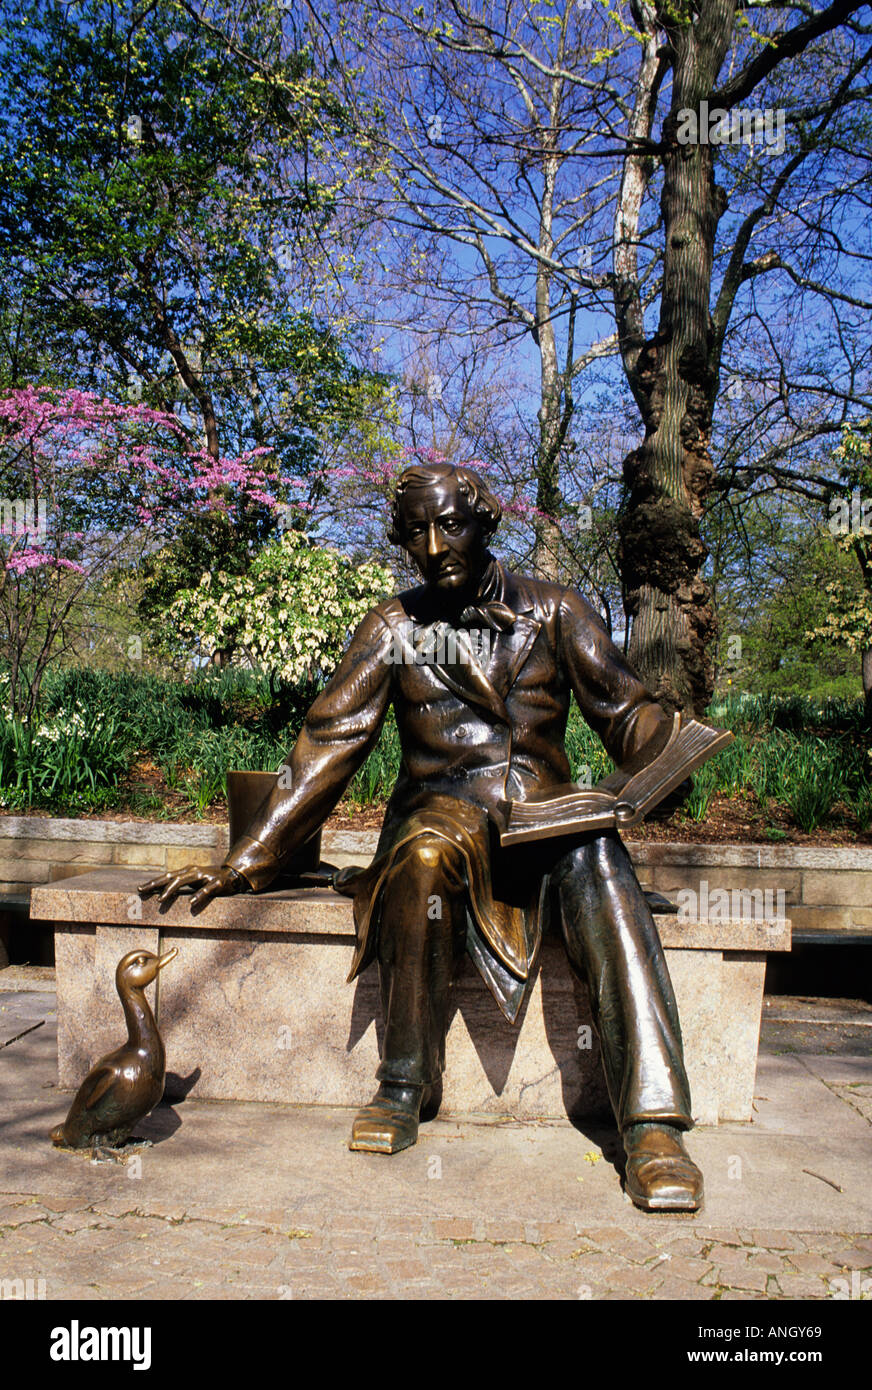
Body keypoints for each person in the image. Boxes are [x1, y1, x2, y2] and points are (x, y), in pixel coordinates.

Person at [141, 462, 704, 1211]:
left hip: (544, 815)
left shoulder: (558, 609)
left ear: (486, 525)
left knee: (601, 856)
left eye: (452, 526)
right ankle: (405, 1080)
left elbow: (625, 710)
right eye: (417, 532)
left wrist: (664, 750)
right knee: (423, 857)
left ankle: (653, 1125)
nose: (435, 546)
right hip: (441, 810)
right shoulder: (393, 627)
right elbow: (327, 742)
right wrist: (248, 859)